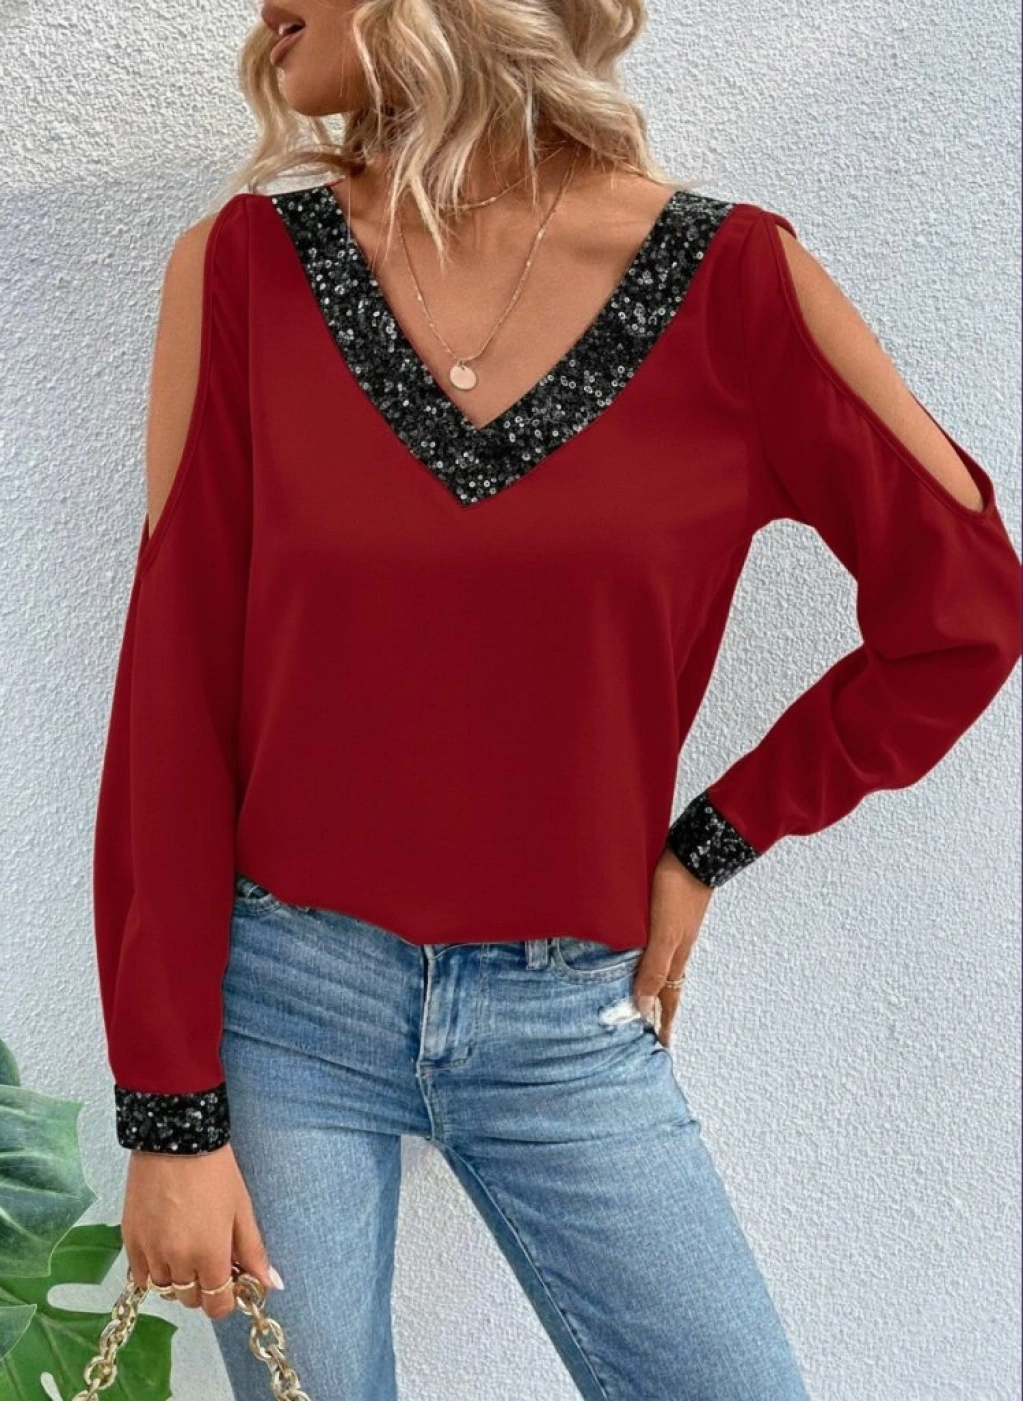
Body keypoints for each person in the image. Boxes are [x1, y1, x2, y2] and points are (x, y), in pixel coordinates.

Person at [90, 0, 1022, 1396]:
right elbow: (170, 697)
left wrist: (712, 841)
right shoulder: (244, 271)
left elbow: (966, 611)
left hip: (565, 1019)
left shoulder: (737, 283)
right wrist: (169, 1114)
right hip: (282, 1009)